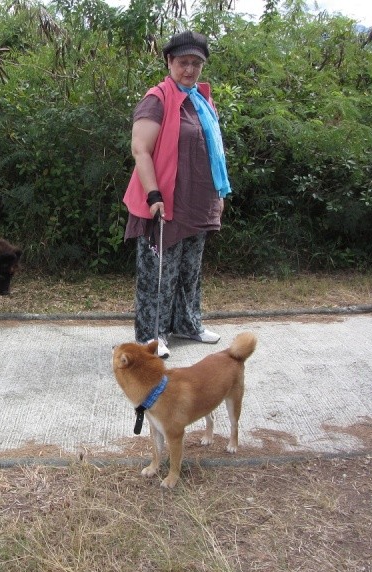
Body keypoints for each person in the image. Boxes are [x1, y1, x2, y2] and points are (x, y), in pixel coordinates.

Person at [123, 31, 231, 359]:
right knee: (159, 273)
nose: (189, 69)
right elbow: (141, 149)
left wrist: (220, 193)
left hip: (199, 201)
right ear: (169, 61)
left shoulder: (202, 99)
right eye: (183, 62)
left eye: (196, 63)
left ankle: (187, 323)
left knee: (189, 269)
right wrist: (153, 193)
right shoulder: (157, 98)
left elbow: (213, 151)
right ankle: (150, 337)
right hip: (163, 201)